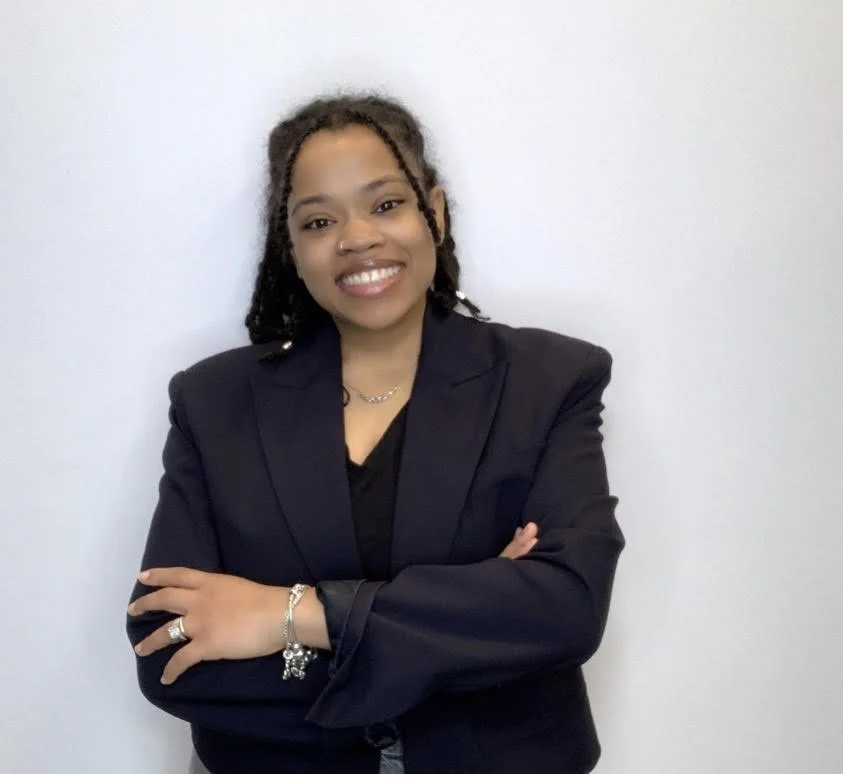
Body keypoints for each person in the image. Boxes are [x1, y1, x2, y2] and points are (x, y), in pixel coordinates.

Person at [126, 93, 624, 774]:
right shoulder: (214, 403)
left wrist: (291, 613)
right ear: (292, 248)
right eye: (319, 219)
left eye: (386, 204)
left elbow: (566, 610)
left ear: (435, 214)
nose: (357, 237)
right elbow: (168, 650)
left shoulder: (548, 380)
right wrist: (467, 630)